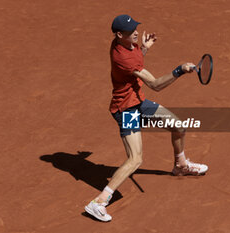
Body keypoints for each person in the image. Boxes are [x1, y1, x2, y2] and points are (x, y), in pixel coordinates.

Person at [85, 14, 208, 222]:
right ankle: (98, 202)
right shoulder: (124, 57)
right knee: (135, 159)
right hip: (127, 110)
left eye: (135, 28)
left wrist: (144, 49)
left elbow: (134, 65)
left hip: (139, 102)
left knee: (178, 126)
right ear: (118, 35)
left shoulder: (123, 46)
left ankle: (180, 165)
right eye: (130, 31)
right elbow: (156, 84)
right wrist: (180, 70)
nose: (135, 32)